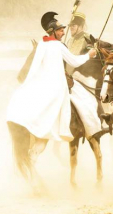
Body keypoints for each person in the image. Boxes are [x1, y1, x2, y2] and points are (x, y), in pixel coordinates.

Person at [7, 12, 96, 141]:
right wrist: (89, 55)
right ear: (53, 31)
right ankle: (86, 127)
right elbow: (74, 61)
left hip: (52, 80)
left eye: (68, 28)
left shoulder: (42, 44)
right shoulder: (60, 45)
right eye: (60, 30)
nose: (64, 32)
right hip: (60, 82)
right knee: (84, 100)